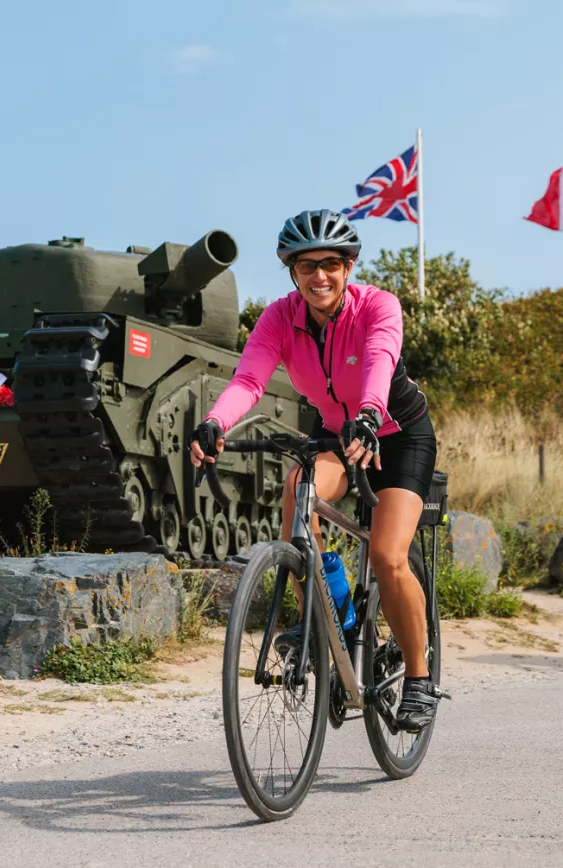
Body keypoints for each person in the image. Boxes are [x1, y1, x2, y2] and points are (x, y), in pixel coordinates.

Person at [189, 209, 440, 732]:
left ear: (348, 266)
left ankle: (418, 677)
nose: (319, 276)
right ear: (291, 272)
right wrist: (214, 422)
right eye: (307, 266)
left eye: (330, 263)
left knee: (388, 555)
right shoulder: (279, 318)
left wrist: (369, 414)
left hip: (395, 433)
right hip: (337, 435)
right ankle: (335, 625)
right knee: (299, 494)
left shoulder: (378, 306)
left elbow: (379, 358)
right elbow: (249, 381)